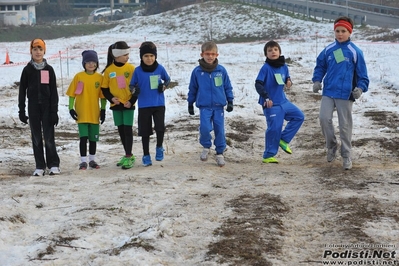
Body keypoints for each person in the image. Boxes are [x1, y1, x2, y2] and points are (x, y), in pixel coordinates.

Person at [312, 16, 369, 170]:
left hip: (345, 93)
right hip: (329, 91)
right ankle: (331, 147)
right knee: (324, 119)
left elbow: (363, 74)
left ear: (350, 32)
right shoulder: (329, 49)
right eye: (337, 31)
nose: (340, 34)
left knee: (345, 126)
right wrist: (317, 80)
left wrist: (361, 88)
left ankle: (346, 155)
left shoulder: (355, 52)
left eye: (343, 31)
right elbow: (320, 66)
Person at [255, 40, 305, 164]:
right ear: (266, 54)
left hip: (283, 101)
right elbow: (258, 84)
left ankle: (283, 140)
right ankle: (268, 155)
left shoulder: (284, 66)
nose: (273, 52)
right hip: (271, 103)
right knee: (274, 128)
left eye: (275, 50)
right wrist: (266, 97)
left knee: (299, 116)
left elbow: (287, 78)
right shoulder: (265, 68)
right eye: (270, 50)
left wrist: (289, 82)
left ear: (280, 52)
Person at [187, 41, 234, 167]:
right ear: (202, 54)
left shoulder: (221, 70)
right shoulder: (197, 72)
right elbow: (193, 88)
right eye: (207, 54)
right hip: (204, 107)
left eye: (213, 54)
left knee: (220, 130)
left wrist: (230, 100)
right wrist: (190, 103)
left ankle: (219, 152)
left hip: (219, 106)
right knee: (205, 128)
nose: (210, 56)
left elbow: (227, 86)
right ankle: (206, 145)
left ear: (217, 55)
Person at [18, 38, 60, 176]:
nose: (38, 52)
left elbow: (54, 91)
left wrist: (54, 111)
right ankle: (40, 166)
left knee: (49, 137)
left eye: (40, 49)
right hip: (33, 106)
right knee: (36, 137)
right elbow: (22, 91)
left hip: (47, 107)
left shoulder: (49, 69)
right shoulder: (27, 70)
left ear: (44, 51)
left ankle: (53, 164)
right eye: (35, 49)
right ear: (31, 51)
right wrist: (22, 111)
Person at [129, 41, 171, 167]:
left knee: (160, 127)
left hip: (158, 104)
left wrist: (164, 86)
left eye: (152, 56)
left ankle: (159, 147)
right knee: (145, 131)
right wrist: (134, 90)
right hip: (144, 105)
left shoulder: (160, 68)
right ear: (141, 57)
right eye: (146, 56)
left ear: (155, 56)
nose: (149, 58)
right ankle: (146, 154)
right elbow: (131, 85)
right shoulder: (137, 71)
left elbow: (168, 80)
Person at [66, 50, 106, 170]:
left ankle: (92, 160)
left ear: (97, 63)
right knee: (83, 138)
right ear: (84, 63)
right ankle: (83, 161)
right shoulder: (79, 77)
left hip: (94, 113)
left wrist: (103, 110)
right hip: (81, 113)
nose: (91, 64)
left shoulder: (100, 78)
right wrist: (71, 108)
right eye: (88, 62)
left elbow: (103, 97)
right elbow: (72, 94)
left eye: (94, 62)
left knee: (93, 139)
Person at [101, 41, 136, 169]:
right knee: (121, 130)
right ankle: (127, 154)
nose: (128, 57)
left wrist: (132, 101)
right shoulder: (109, 71)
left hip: (128, 104)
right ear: (116, 55)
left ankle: (129, 155)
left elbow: (137, 87)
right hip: (116, 105)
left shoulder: (131, 69)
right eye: (125, 54)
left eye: (128, 54)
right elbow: (104, 89)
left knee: (128, 130)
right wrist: (111, 99)